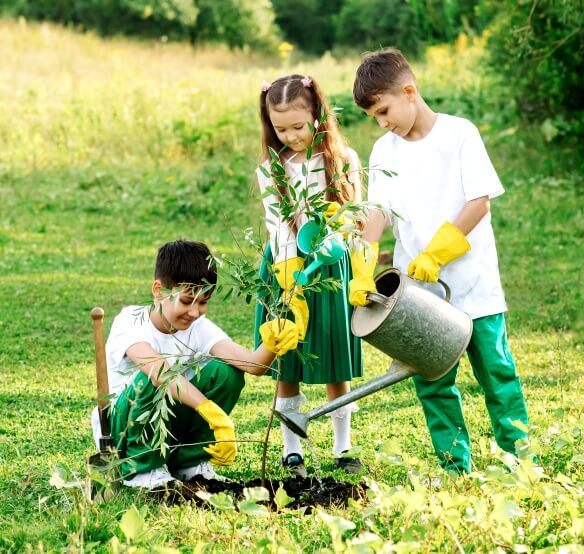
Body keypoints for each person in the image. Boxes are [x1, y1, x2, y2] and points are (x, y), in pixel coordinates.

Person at [350, 48, 530, 474]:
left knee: (498, 374)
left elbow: (478, 202)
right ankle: (455, 466)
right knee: (433, 383)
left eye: (384, 110)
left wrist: (438, 251)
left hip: (473, 283)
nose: (382, 122)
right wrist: (363, 265)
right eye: (374, 116)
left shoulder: (459, 134)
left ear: (409, 91)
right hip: (420, 295)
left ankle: (522, 462)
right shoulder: (383, 151)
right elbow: (377, 212)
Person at [99, 239, 299, 489]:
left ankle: (189, 463)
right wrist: (208, 410)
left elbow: (252, 365)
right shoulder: (130, 321)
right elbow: (161, 373)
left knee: (226, 373)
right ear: (159, 290)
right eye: (185, 301)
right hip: (123, 431)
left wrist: (275, 340)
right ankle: (143, 469)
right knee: (153, 377)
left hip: (168, 427)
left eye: (203, 302)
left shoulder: (198, 327)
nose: (194, 313)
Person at [253, 74, 364, 476]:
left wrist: (330, 243)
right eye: (280, 128)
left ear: (317, 116)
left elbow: (354, 214)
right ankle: (291, 448)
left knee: (335, 358)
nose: (290, 136)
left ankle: (343, 446)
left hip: (331, 268)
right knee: (289, 356)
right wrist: (289, 271)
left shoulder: (342, 160)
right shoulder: (272, 167)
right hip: (285, 269)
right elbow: (277, 223)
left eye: (297, 127)